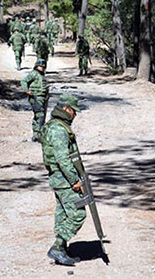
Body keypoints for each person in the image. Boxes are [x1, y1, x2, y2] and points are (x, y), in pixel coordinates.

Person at [41, 94, 85, 266]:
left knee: (63, 212)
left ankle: (62, 249)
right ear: (67, 109)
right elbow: (63, 159)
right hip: (63, 178)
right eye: (74, 111)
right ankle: (58, 248)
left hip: (57, 177)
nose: (74, 115)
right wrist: (74, 180)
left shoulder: (53, 126)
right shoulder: (58, 130)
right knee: (78, 213)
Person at [21, 59, 48, 142]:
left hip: (42, 97)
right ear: (36, 66)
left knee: (39, 116)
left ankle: (36, 135)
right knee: (40, 115)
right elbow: (24, 81)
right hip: (36, 97)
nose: (42, 68)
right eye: (40, 66)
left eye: (43, 67)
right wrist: (27, 91)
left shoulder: (41, 75)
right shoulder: (34, 74)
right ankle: (38, 134)